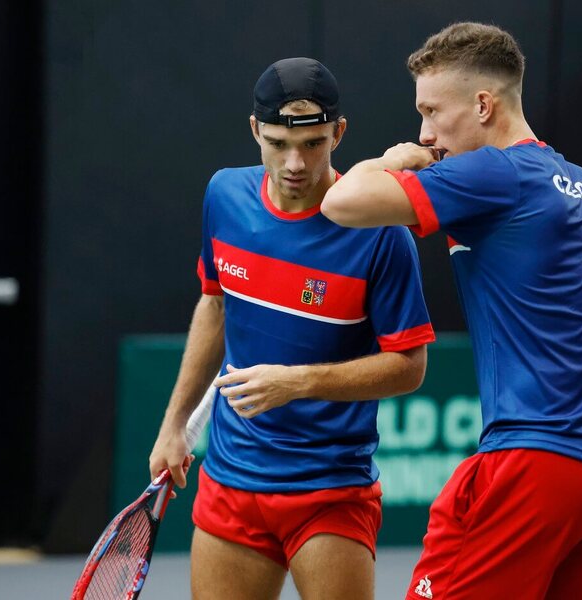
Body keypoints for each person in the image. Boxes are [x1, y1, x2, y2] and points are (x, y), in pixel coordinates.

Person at [321, 22, 582, 600]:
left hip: (531, 467)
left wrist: (395, 158)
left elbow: (339, 202)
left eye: (431, 111)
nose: (427, 133)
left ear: (484, 105)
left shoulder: (493, 172)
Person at [148, 57, 436, 600]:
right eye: (278, 143)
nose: (295, 162)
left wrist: (298, 382)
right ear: (255, 130)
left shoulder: (381, 233)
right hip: (231, 480)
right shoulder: (224, 197)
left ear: (339, 133)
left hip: (329, 489)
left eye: (313, 143)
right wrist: (173, 424)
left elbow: (410, 366)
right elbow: (214, 305)